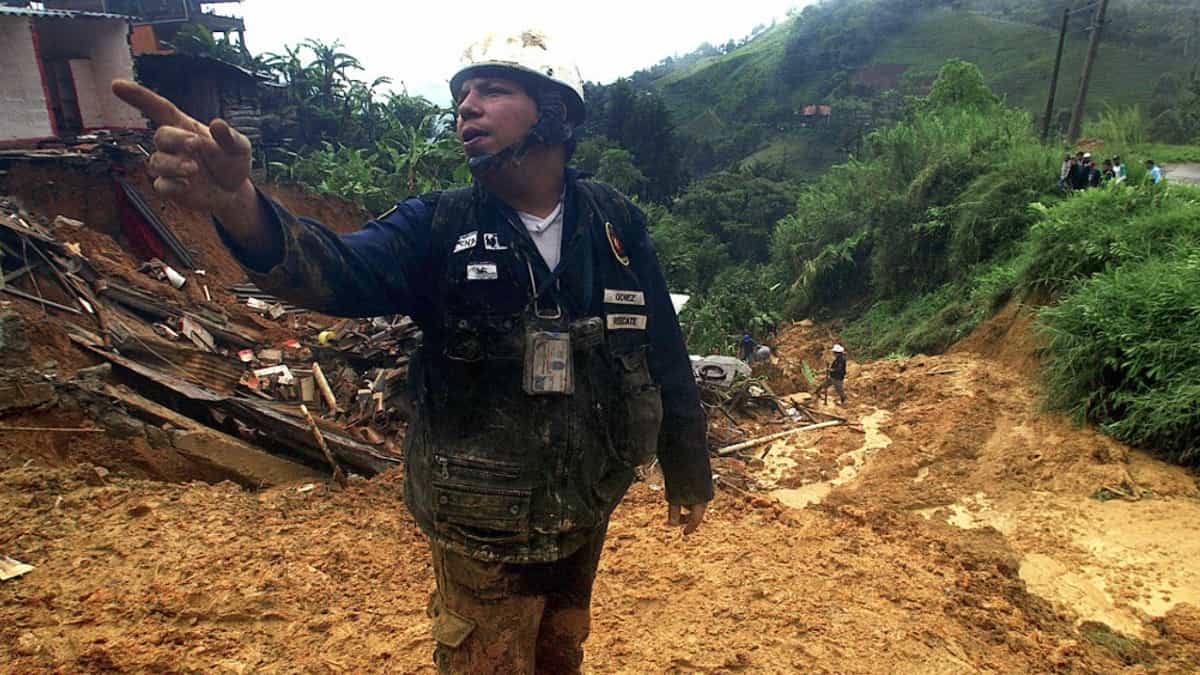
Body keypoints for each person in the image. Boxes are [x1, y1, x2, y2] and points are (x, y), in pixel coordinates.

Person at [112, 28, 713, 674]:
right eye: (461, 96)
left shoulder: (614, 223)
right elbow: (335, 270)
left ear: (556, 112)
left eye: (492, 90)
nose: (466, 107)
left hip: (587, 505)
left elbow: (661, 347)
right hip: (481, 524)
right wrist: (240, 205)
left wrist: (687, 468)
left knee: (560, 653)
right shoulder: (437, 226)